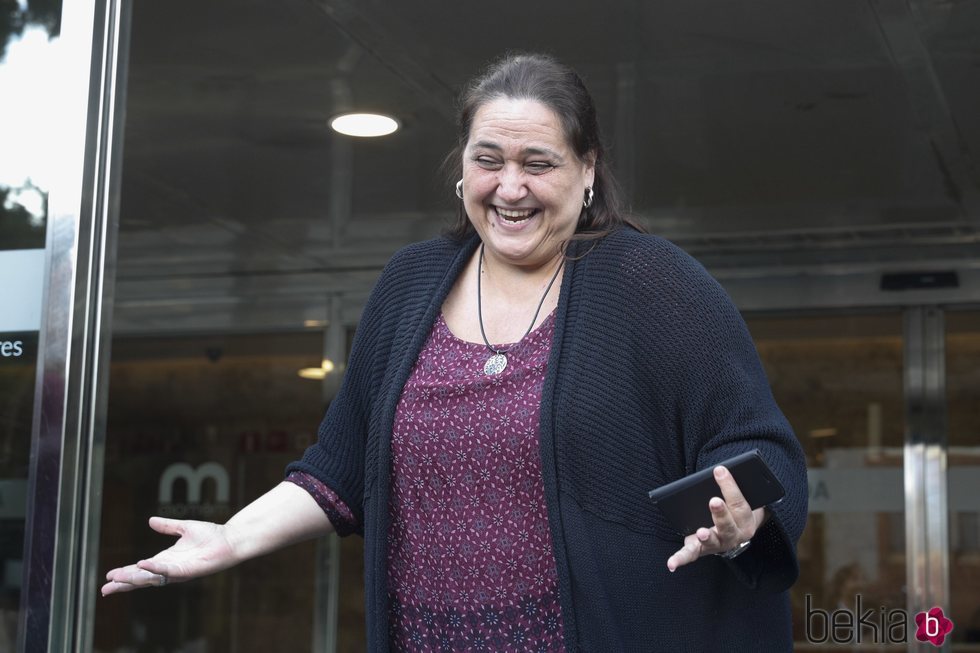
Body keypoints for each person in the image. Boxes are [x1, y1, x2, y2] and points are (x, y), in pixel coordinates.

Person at [104, 52, 808, 651]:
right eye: (488, 160)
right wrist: (230, 539)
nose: (510, 187)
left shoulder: (652, 282)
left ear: (587, 170)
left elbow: (757, 446)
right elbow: (337, 469)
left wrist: (745, 519)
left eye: (539, 162)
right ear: (461, 168)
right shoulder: (409, 283)